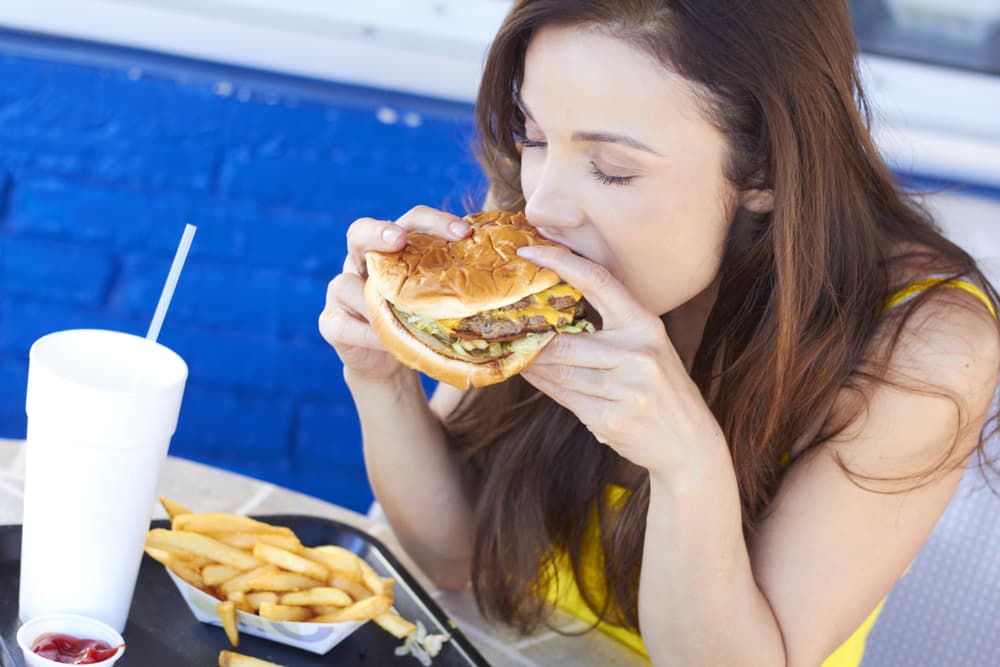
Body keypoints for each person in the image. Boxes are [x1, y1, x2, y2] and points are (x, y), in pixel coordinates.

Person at [319, 1, 1000, 665]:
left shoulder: (927, 342)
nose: (543, 204)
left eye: (612, 168)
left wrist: (687, 465)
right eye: (534, 135)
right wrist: (380, 375)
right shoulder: (550, 214)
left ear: (765, 167)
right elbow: (453, 557)